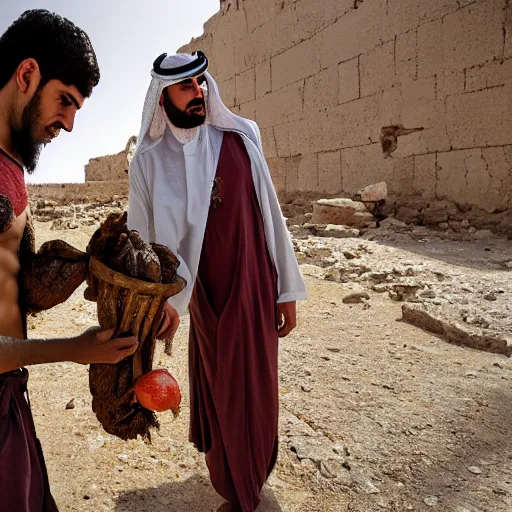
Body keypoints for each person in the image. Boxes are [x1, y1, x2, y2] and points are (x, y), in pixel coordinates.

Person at [128, 51, 306, 511]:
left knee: (256, 387)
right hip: (200, 294)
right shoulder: (147, 163)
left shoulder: (241, 137)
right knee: (221, 384)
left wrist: (286, 289)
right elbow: (142, 241)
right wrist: (157, 305)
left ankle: (249, 487)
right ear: (162, 96)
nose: (198, 93)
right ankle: (233, 481)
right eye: (186, 87)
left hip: (252, 280)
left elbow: (271, 215)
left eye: (201, 83)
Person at [0, 10, 138, 511]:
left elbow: (18, 290)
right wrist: (75, 350)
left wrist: (90, 265)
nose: (70, 123)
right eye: (65, 101)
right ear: (27, 75)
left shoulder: (11, 167)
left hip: (11, 398)